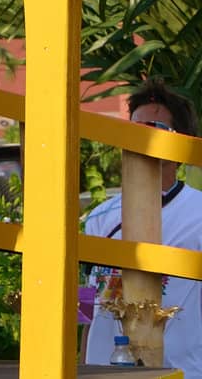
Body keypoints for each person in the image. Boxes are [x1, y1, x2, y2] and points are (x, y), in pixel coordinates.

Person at [82, 79, 202, 375]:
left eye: (155, 129)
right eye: (135, 129)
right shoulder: (99, 217)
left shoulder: (199, 212)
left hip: (181, 371)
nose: (142, 138)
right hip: (103, 370)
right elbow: (87, 305)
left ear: (182, 142)